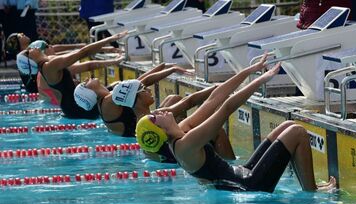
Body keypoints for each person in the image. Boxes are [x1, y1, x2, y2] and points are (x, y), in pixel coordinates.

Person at [135, 53, 336, 192]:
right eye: (156, 116)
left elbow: (215, 98)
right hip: (249, 185)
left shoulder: (181, 132)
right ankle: (313, 192)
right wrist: (261, 80)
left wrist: (250, 70)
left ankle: (311, 187)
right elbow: (226, 108)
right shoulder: (185, 146)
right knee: (297, 132)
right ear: (159, 129)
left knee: (285, 127)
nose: (160, 111)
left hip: (243, 173)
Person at [74, 63, 235, 163]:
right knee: (216, 131)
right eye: (143, 90)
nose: (149, 90)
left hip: (166, 159)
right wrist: (221, 87)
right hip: (178, 159)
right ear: (137, 99)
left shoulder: (141, 124)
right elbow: (189, 101)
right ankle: (231, 164)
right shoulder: (153, 117)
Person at [16, 31, 128, 119]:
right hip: (77, 108)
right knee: (120, 94)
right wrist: (110, 39)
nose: (30, 48)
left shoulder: (46, 65)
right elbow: (82, 53)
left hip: (71, 108)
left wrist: (107, 49)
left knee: (117, 87)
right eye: (28, 52)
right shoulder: (49, 66)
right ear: (30, 61)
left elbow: (75, 52)